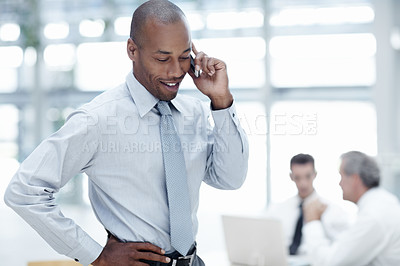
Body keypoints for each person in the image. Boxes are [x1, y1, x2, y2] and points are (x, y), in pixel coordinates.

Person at [4, 1, 249, 265]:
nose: (176, 71)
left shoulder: (195, 112)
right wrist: (94, 254)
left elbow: (230, 179)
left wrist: (222, 101)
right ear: (132, 50)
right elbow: (24, 190)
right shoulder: (97, 120)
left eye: (184, 56)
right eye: (162, 58)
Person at [303, 151, 400, 266]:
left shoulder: (373, 216)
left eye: (341, 176)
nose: (339, 183)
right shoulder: (383, 203)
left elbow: (331, 263)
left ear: (355, 179)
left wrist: (312, 221)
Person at [266, 154, 348, 255]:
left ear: (315, 174)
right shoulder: (279, 210)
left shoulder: (331, 209)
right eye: (297, 177)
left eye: (307, 176)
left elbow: (342, 247)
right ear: (291, 177)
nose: (303, 183)